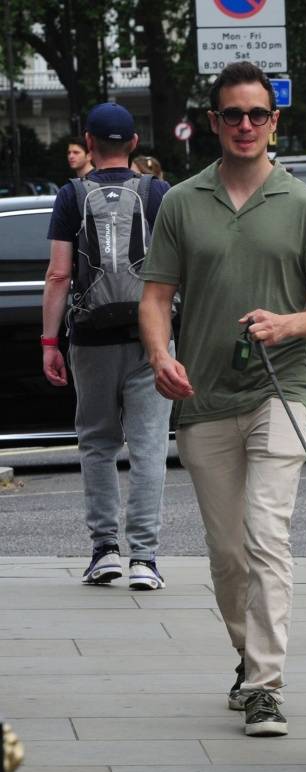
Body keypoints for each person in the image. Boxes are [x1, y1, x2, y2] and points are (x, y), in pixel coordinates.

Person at [138, 61, 306, 737]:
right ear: (214, 122)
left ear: (274, 121)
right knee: (228, 553)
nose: (245, 125)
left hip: (281, 390)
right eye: (232, 114)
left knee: (267, 535)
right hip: (201, 396)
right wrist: (159, 355)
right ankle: (246, 656)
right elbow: (155, 297)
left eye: (257, 114)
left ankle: (265, 683)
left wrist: (288, 324)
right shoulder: (180, 201)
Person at [42, 102, 172, 591]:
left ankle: (104, 552)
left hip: (91, 338)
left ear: (89, 143)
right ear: (134, 144)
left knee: (97, 443)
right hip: (150, 336)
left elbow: (58, 274)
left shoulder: (71, 195)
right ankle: (145, 558)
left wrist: (50, 341)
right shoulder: (159, 191)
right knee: (149, 446)